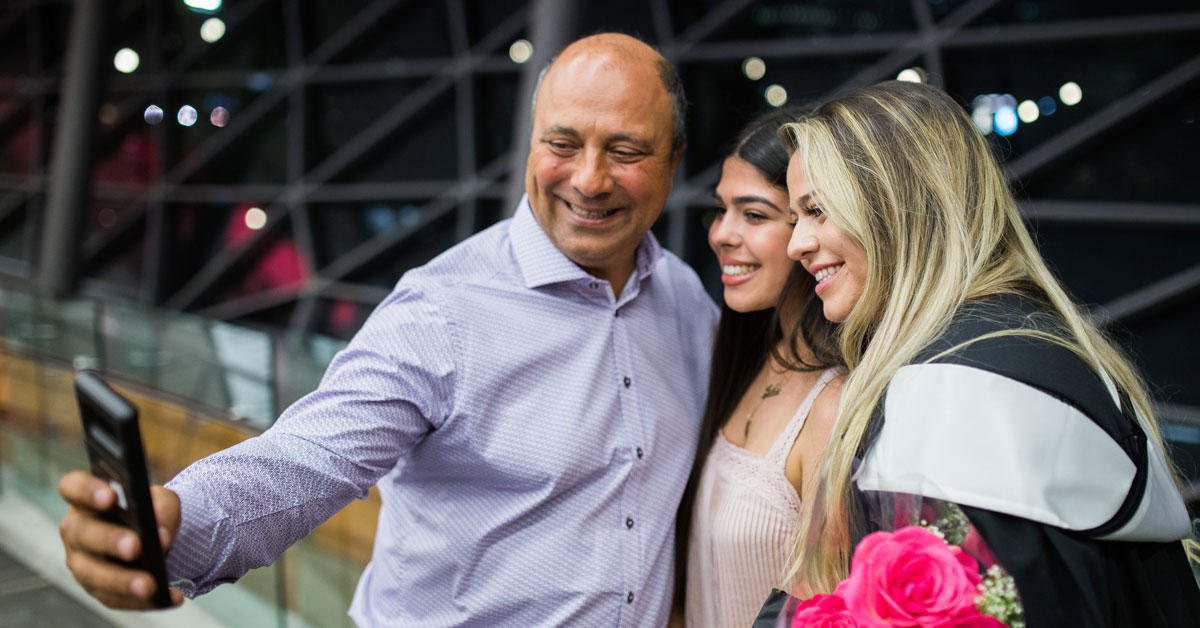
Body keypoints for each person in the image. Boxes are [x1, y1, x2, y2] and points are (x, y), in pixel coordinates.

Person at [57, 33, 719, 626]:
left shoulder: (687, 303)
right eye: (563, 143)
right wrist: (176, 529)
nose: (589, 178)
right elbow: (305, 460)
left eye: (626, 150)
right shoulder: (442, 311)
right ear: (532, 142)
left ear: (674, 161)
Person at [765, 80, 1200, 626]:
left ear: (900, 204)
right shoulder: (1022, 349)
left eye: (817, 210)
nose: (796, 244)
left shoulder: (964, 393)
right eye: (794, 218)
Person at [670, 106, 843, 628]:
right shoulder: (741, 360)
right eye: (720, 211)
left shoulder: (833, 403)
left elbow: (833, 608)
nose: (721, 234)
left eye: (754, 215)